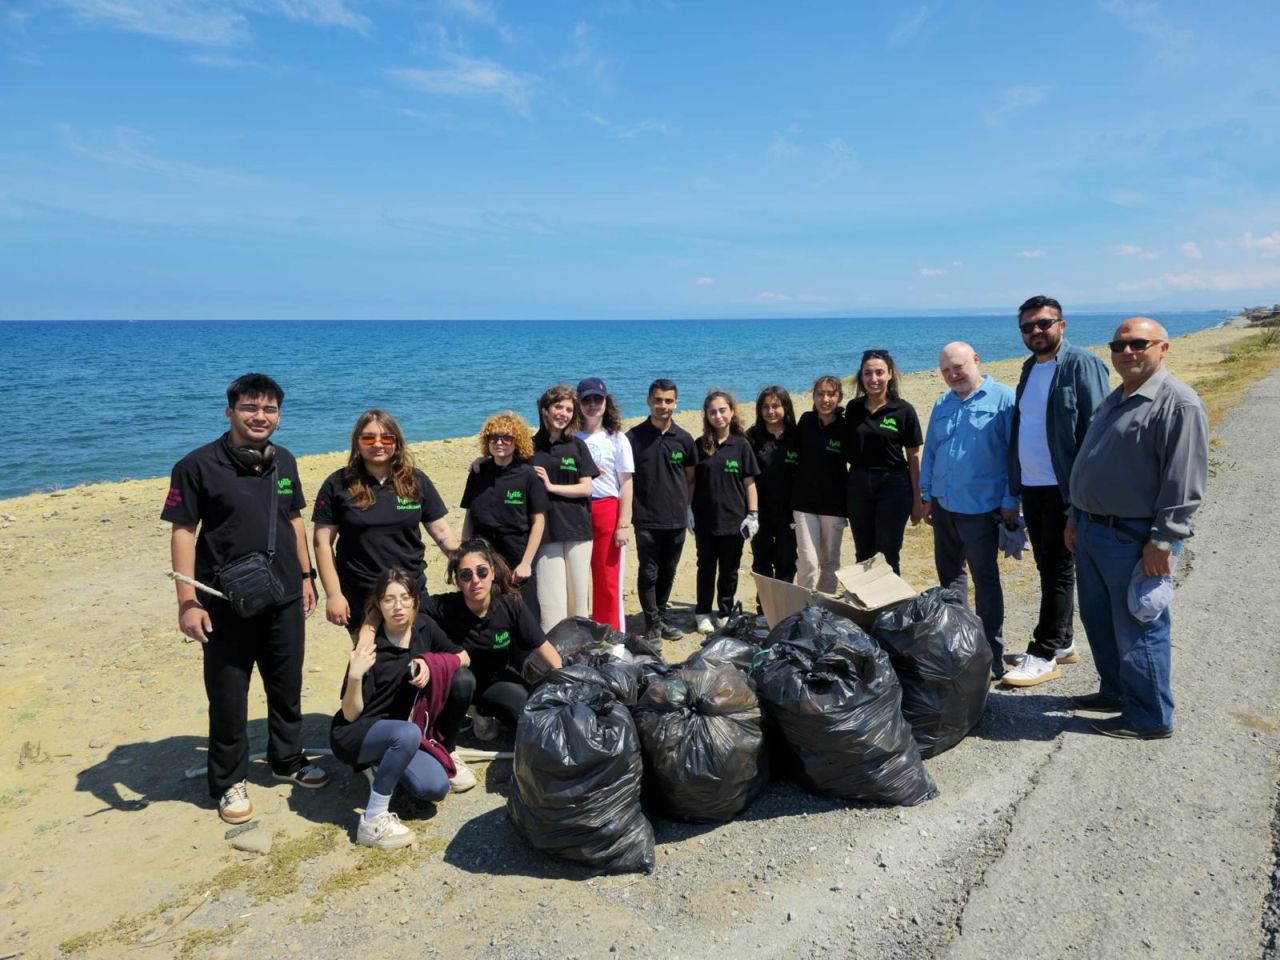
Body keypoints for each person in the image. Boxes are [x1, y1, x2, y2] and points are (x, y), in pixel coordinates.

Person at [162, 373, 329, 825]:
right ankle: (229, 780)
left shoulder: (284, 461)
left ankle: (287, 759)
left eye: (269, 409)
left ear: (279, 416)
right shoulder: (196, 466)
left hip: (284, 595)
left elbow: (294, 519)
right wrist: (187, 600)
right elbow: (183, 531)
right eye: (250, 408)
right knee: (228, 695)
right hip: (224, 600)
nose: (260, 416)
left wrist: (307, 576)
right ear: (230, 412)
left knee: (286, 686)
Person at [1067, 318, 1207, 739]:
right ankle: (1116, 692)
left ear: (1163, 348)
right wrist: (1075, 518)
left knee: (1140, 626)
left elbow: (1183, 481)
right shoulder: (1117, 398)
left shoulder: (1178, 404)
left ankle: (1150, 717)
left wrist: (1164, 540)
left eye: (1138, 344)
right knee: (1099, 621)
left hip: (1135, 537)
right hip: (1093, 530)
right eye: (1118, 345)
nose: (1126, 352)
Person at [1001, 297, 1111, 688]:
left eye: (1043, 323)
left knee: (1059, 570)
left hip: (1064, 490)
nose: (1035, 331)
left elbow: (1098, 433)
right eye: (1027, 326)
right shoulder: (1029, 369)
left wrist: (1082, 499)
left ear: (1061, 325)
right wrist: (1014, 491)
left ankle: (1044, 652)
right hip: (1033, 488)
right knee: (1048, 568)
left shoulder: (1082, 365)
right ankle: (1063, 642)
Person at [329, 568, 470, 850]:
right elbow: (350, 715)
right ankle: (373, 819)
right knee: (407, 734)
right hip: (356, 734)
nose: (398, 606)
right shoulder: (370, 647)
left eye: (405, 598)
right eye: (389, 599)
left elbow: (463, 656)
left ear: (415, 600)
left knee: (435, 787)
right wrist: (355, 676)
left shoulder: (423, 627)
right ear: (378, 605)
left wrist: (430, 662)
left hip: (397, 733)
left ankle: (383, 763)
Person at [313, 409, 459, 635]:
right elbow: (322, 543)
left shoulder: (415, 480)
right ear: (357, 442)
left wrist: (472, 567)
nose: (378, 444)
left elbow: (443, 535)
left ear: (396, 443)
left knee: (416, 651)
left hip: (410, 591)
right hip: (361, 594)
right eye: (368, 438)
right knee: (369, 654)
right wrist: (333, 595)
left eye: (387, 438)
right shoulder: (338, 483)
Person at [919, 344, 1018, 675]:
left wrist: (1011, 500)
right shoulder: (942, 403)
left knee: (985, 580)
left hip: (982, 507)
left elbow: (1014, 456)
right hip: (944, 504)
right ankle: (961, 649)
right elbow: (931, 451)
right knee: (950, 578)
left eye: (958, 367)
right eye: (945, 370)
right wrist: (927, 494)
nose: (952, 375)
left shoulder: (1004, 399)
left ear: (976, 360)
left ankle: (992, 654)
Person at [421, 538, 564, 741]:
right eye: (466, 575)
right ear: (457, 581)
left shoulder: (510, 604)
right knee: (463, 680)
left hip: (494, 680)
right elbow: (407, 607)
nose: (475, 580)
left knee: (530, 720)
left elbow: (542, 646)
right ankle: (446, 739)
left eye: (482, 572)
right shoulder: (444, 608)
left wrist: (567, 680)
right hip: (457, 683)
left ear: (493, 572)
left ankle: (482, 712)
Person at [626, 379, 697, 648]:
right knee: (649, 572)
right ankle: (652, 623)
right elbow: (625, 478)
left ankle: (662, 615)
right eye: (658, 400)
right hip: (646, 518)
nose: (662, 405)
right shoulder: (633, 438)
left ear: (676, 404)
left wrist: (686, 507)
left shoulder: (684, 439)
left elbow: (690, 476)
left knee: (669, 570)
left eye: (668, 401)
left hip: (676, 518)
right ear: (648, 401)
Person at [843, 349, 924, 576]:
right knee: (863, 553)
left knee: (888, 553)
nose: (874, 379)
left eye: (879, 372)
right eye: (868, 373)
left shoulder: (903, 410)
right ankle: (865, 599)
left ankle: (891, 599)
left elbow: (913, 457)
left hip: (894, 485)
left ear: (890, 374)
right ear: (861, 376)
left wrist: (918, 500)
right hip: (859, 484)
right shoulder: (853, 408)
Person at [530, 385, 600, 631]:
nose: (563, 413)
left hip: (577, 529)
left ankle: (580, 648)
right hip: (545, 531)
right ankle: (554, 651)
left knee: (578, 600)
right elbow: (504, 462)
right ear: (545, 409)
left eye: (569, 409)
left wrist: (551, 487)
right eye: (558, 407)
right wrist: (481, 461)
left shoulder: (577, 446)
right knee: (551, 602)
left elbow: (586, 488)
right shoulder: (529, 447)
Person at [460, 412, 548, 608]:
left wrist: (526, 563)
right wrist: (464, 550)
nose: (499, 442)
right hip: (482, 549)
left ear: (517, 442)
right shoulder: (478, 472)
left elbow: (539, 522)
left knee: (523, 609)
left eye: (507, 438)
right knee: (486, 607)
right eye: (494, 437)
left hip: (516, 551)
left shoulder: (527, 475)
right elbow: (469, 516)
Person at [691, 389, 760, 633]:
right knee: (706, 568)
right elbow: (691, 481)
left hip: (734, 521)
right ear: (707, 415)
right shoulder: (700, 445)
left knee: (730, 570)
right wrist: (688, 508)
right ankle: (702, 612)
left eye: (722, 410)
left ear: (731, 412)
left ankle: (724, 612)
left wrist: (753, 514)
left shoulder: (742, 445)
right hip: (705, 520)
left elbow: (749, 483)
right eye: (713, 412)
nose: (718, 416)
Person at [575, 377, 635, 632]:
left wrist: (623, 524)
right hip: (575, 510)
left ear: (606, 402)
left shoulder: (617, 438)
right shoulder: (569, 437)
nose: (592, 404)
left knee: (607, 578)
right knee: (576, 579)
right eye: (586, 399)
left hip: (606, 511)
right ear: (578, 403)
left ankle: (612, 634)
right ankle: (580, 633)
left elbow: (626, 483)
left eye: (597, 399)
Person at [792, 375, 849, 592]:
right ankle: (803, 606)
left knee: (830, 562)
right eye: (820, 394)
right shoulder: (806, 421)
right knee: (808, 561)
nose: (825, 399)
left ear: (839, 397)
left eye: (830, 394)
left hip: (834, 504)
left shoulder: (845, 426)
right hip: (803, 502)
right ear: (813, 396)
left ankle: (824, 607)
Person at [746, 385, 798, 589]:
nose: (770, 411)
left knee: (787, 561)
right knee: (761, 561)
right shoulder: (751, 437)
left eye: (775, 406)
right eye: (765, 407)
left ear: (786, 407)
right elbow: (746, 476)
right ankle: (764, 605)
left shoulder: (796, 435)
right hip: (761, 511)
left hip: (790, 512)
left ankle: (783, 603)